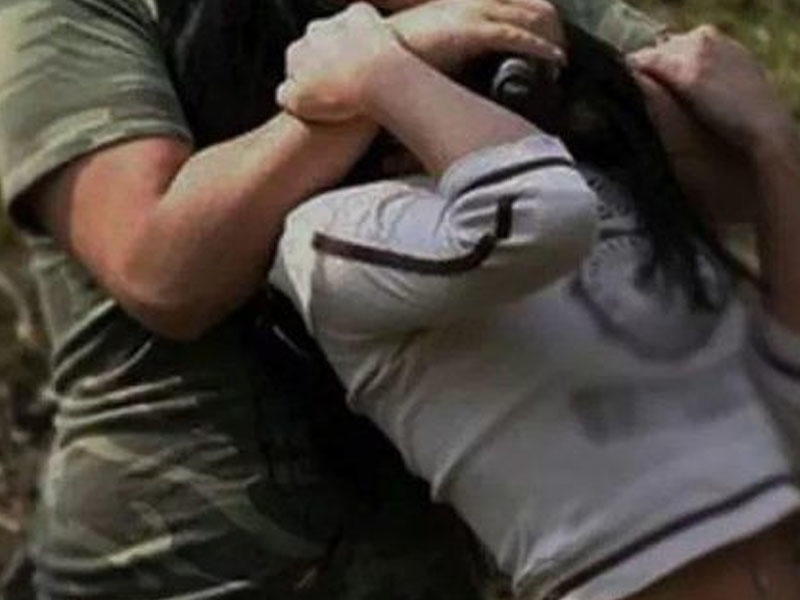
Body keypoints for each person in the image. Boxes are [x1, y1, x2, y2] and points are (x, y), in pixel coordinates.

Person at [0, 0, 670, 598]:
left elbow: (690, 115)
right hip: (186, 561)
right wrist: (386, 72)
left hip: (422, 554)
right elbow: (165, 271)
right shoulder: (79, 10)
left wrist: (565, 81)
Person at [268, 6, 800, 600]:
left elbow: (788, 396)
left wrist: (772, 145)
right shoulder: (335, 231)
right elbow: (536, 215)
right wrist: (384, 68)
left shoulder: (595, 182)